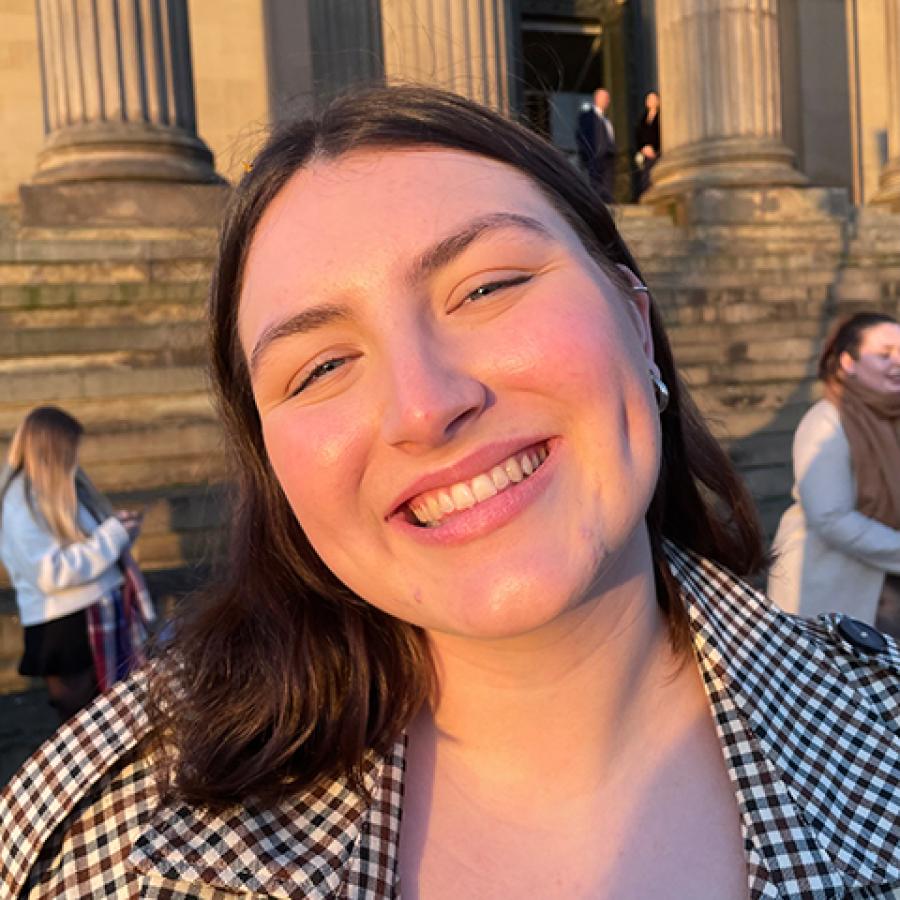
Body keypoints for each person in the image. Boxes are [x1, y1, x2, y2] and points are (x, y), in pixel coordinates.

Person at [1, 87, 897, 900]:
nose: (427, 406)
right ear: (274, 467)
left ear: (633, 312)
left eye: (489, 287)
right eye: (319, 368)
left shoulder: (879, 726)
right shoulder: (89, 844)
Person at [0, 406, 151, 721]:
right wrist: (113, 536)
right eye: (70, 451)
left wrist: (118, 531)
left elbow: (82, 543)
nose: (74, 459)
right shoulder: (21, 503)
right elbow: (50, 573)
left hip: (89, 613)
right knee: (82, 716)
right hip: (64, 626)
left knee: (105, 711)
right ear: (54, 450)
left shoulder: (57, 489)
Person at [769, 312, 900, 637]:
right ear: (848, 362)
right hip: (836, 588)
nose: (897, 362)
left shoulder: (893, 420)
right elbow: (830, 517)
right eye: (884, 354)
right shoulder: (826, 421)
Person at [576, 87, 617, 202]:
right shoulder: (587, 116)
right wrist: (586, 152)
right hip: (594, 155)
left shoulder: (606, 118)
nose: (607, 101)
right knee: (595, 185)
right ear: (597, 98)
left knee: (608, 184)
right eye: (605, 98)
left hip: (608, 156)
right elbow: (581, 134)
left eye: (608, 98)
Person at [634, 90, 660, 200]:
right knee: (644, 176)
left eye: (654, 99)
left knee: (652, 174)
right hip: (644, 153)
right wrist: (643, 148)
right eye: (649, 99)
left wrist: (654, 149)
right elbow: (638, 135)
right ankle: (644, 196)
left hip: (657, 152)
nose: (651, 101)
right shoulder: (642, 119)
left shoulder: (661, 117)